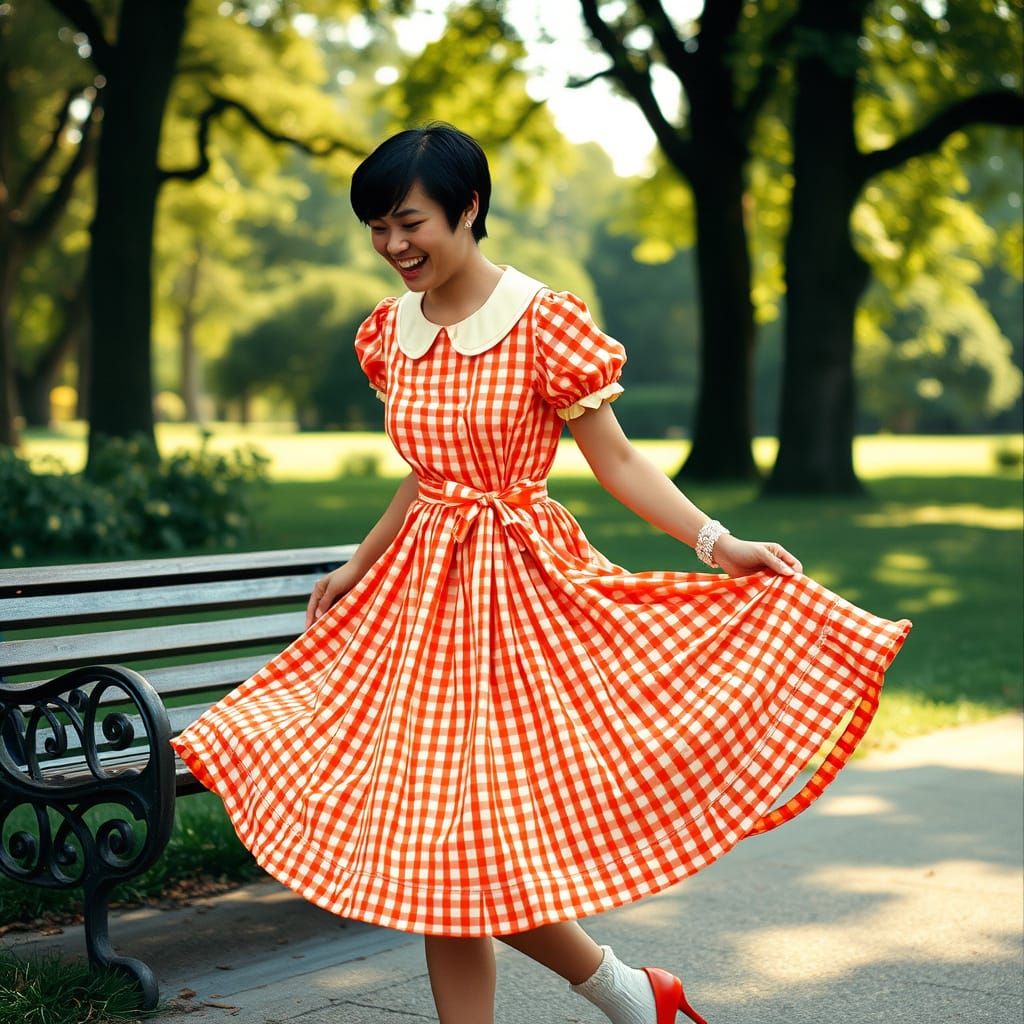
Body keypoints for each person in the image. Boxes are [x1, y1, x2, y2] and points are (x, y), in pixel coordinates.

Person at [169, 123, 912, 1024]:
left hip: (519, 606)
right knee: (438, 855)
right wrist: (355, 565)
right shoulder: (390, 331)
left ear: (468, 208)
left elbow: (620, 463)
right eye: (378, 228)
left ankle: (631, 994)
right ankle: (635, 995)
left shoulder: (542, 319)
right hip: (417, 611)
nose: (394, 246)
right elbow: (424, 471)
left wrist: (720, 543)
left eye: (410, 222)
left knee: (456, 855)